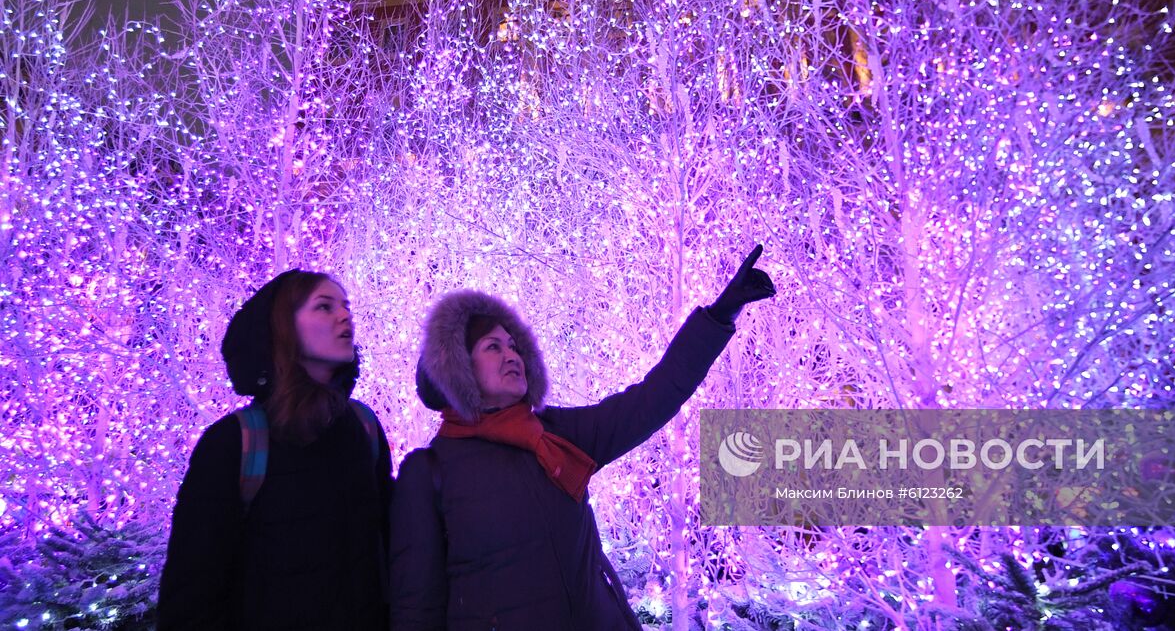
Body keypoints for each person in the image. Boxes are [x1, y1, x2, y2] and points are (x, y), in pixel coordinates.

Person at [390, 244, 776, 630]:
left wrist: (719, 317)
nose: (512, 355)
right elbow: (416, 609)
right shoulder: (430, 473)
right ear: (458, 366)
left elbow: (653, 399)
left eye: (513, 345)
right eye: (493, 346)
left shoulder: (555, 436)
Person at [159, 269, 393, 631]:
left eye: (345, 306)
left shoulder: (364, 429)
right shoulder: (234, 443)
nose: (345, 315)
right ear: (284, 326)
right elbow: (191, 596)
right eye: (324, 307)